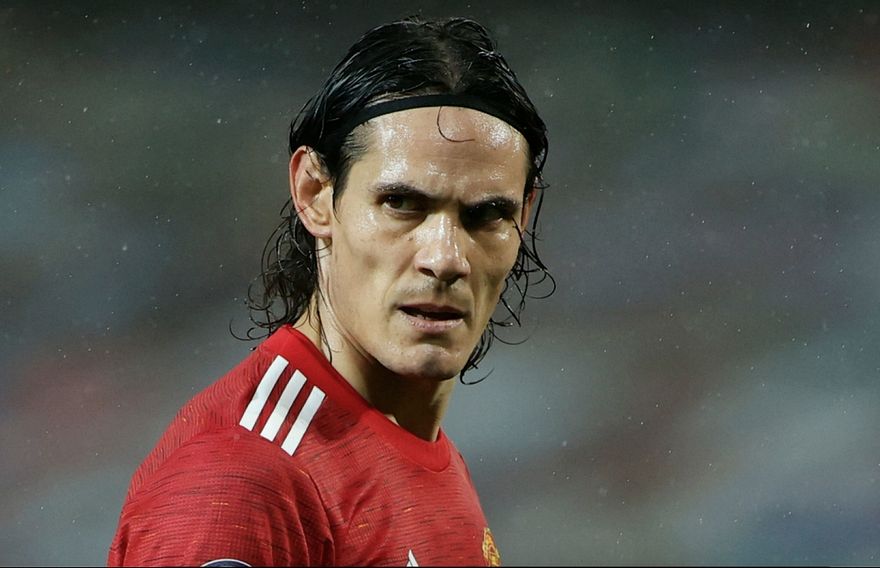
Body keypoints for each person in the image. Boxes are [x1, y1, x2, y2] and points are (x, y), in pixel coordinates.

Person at [108, 15, 551, 567]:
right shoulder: (243, 480)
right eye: (401, 203)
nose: (444, 258)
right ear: (315, 193)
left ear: (523, 217)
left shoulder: (416, 453)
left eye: (487, 215)